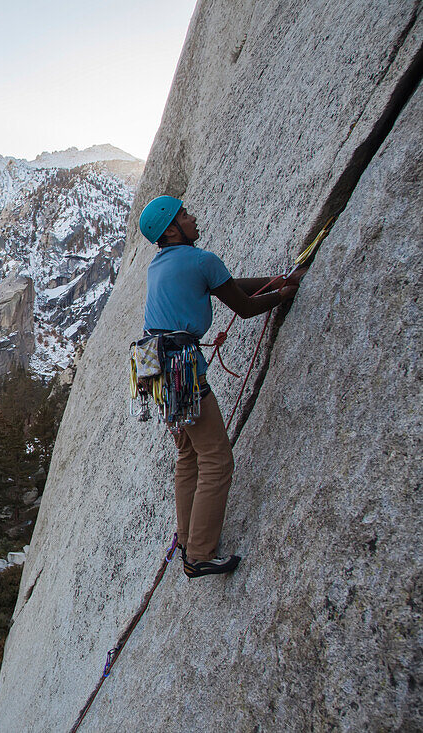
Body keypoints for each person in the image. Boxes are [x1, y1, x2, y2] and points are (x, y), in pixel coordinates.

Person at [137, 195, 302, 578]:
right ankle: (198, 554)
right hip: (180, 368)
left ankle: (186, 536)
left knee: (189, 456)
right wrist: (282, 295)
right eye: (186, 215)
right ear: (173, 229)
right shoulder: (200, 260)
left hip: (154, 367)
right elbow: (241, 305)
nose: (194, 218)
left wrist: (276, 280)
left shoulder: (160, 264)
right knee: (216, 457)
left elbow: (225, 287)